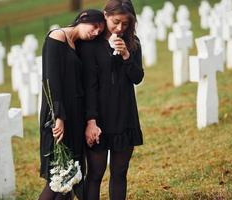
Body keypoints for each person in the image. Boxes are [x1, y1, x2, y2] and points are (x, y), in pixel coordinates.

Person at [79, 1, 144, 199]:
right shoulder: (91, 45)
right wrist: (91, 120)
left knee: (119, 173)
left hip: (125, 116)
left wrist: (126, 55)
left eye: (125, 24)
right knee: (95, 175)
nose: (120, 28)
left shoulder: (133, 43)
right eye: (116, 22)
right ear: (105, 15)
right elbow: (89, 85)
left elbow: (137, 78)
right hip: (98, 118)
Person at [39, 9, 105, 200]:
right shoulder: (57, 37)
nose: (95, 33)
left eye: (99, 32)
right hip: (59, 115)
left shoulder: (77, 44)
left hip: (75, 116)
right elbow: (51, 80)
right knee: (58, 177)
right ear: (83, 19)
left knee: (70, 177)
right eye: (94, 27)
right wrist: (58, 117)